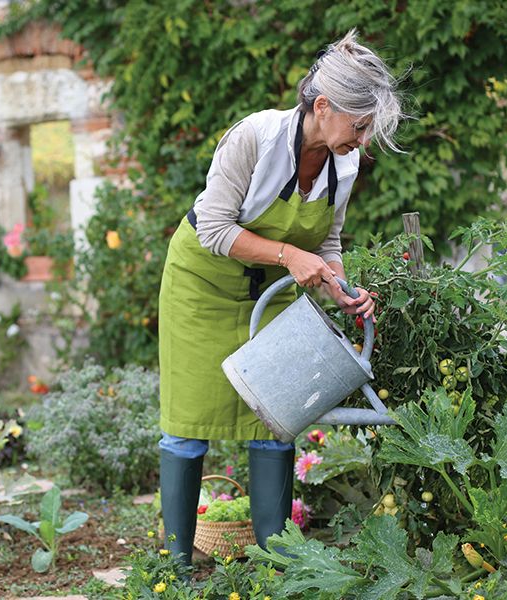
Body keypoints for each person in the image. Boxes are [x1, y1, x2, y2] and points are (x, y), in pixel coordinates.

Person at [157, 29, 402, 565]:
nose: (361, 140)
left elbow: (329, 240)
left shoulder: (346, 163)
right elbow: (213, 229)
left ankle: (276, 563)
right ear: (322, 106)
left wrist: (342, 290)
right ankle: (175, 566)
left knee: (277, 417)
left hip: (271, 293)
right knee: (187, 427)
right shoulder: (255, 139)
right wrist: (291, 255)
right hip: (202, 288)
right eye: (358, 126)